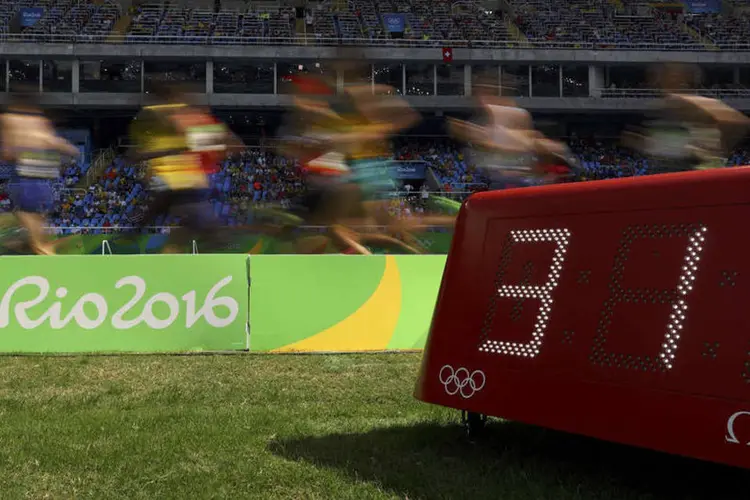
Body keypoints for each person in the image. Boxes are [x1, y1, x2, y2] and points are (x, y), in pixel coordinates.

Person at [129, 83, 240, 251]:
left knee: (188, 224)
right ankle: (217, 245)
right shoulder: (168, 117)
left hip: (185, 183)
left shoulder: (179, 116)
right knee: (192, 224)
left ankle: (215, 245)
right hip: (180, 183)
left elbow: (228, 142)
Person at [1, 88, 79, 254]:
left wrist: (14, 152)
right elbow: (52, 141)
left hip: (23, 172)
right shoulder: (40, 120)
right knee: (35, 217)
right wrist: (68, 149)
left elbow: (7, 152)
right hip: (45, 174)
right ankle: (33, 243)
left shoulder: (8, 119)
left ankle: (39, 246)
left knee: (25, 215)